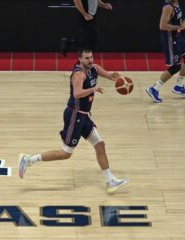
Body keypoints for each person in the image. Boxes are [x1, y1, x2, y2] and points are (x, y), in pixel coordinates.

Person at [19, 49, 129, 194]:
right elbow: (77, 93)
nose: (90, 60)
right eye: (86, 58)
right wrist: (93, 89)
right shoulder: (79, 74)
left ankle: (110, 181)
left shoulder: (93, 68)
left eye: (91, 57)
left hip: (84, 116)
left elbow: (105, 73)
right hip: (74, 116)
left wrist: (112, 76)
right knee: (65, 153)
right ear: (80, 59)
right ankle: (29, 160)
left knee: (100, 145)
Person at [146, 0, 185, 103]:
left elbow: (176, 18)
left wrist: (183, 21)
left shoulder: (176, 2)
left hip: (177, 36)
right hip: (170, 39)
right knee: (176, 66)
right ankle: (154, 88)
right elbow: (162, 26)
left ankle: (179, 86)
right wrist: (180, 27)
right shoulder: (168, 7)